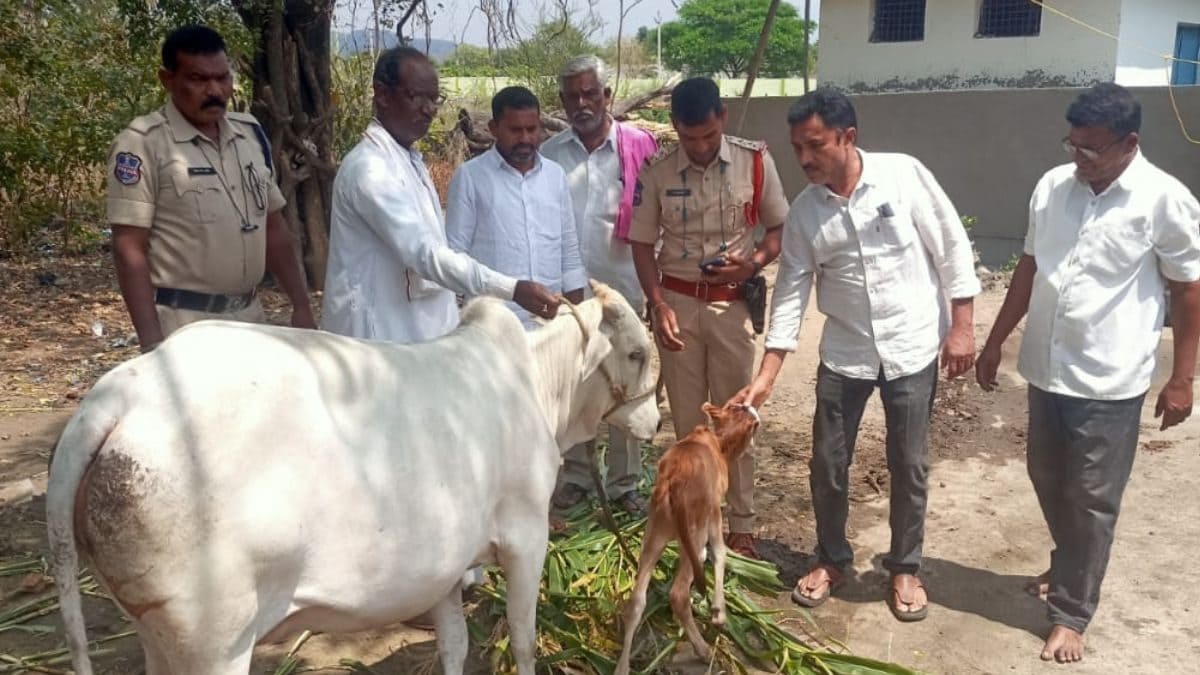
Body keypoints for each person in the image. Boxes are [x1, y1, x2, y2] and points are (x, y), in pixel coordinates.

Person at [975, 83, 1200, 663]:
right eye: (1073, 144)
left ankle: (1072, 613)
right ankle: (1069, 560)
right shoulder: (1053, 187)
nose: (1078, 157)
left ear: (1129, 143)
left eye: (1092, 149)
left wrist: (1182, 377)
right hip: (1047, 370)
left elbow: (1187, 289)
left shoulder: (1163, 199)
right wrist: (995, 341)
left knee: (1093, 498)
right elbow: (1029, 267)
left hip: (1111, 379)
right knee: (1047, 478)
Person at [736, 87, 980, 620]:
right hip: (845, 354)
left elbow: (952, 247)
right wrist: (768, 374)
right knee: (827, 463)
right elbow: (793, 291)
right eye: (796, 147)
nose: (803, 159)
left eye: (814, 145)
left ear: (848, 137)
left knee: (908, 463)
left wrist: (962, 326)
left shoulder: (904, 175)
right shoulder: (804, 214)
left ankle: (905, 567)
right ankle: (832, 558)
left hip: (912, 345)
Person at [629, 77, 790, 558]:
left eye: (707, 136)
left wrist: (755, 263)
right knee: (686, 424)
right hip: (676, 307)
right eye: (688, 137)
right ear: (674, 126)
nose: (698, 148)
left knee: (737, 420)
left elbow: (777, 227)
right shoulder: (656, 171)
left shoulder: (755, 161)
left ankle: (741, 523)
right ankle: (695, 518)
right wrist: (658, 306)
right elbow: (640, 243)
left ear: (721, 117)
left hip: (731, 306)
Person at [321, 47, 559, 343]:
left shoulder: (408, 160)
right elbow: (425, 254)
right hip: (376, 337)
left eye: (434, 99)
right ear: (382, 94)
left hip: (415, 336)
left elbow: (436, 255)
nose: (429, 109)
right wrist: (512, 289)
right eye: (417, 97)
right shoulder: (369, 169)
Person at [107, 25, 315, 352]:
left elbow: (274, 228)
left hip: (251, 319)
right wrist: (151, 343)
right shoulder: (143, 144)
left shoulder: (250, 135)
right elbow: (128, 247)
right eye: (198, 79)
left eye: (222, 78)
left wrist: (301, 305)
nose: (215, 90)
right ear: (168, 79)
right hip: (184, 329)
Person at [541, 55, 659, 515]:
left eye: (591, 93)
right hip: (568, 295)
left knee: (625, 383)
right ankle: (574, 476)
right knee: (572, 381)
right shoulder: (551, 155)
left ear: (607, 96)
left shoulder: (640, 148)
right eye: (572, 96)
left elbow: (657, 218)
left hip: (624, 291)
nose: (582, 103)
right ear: (563, 102)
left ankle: (625, 481)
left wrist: (654, 290)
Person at [446, 85, 586, 326]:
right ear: (493, 128)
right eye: (515, 130)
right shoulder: (470, 177)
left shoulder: (555, 176)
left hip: (549, 325)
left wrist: (574, 320)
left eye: (532, 129)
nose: (525, 139)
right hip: (492, 327)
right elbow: (455, 257)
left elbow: (569, 253)